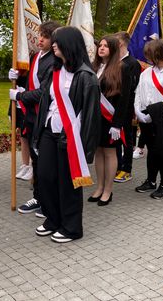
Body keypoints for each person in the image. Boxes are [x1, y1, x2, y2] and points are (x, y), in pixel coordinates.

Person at [31, 26, 100, 243]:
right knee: (45, 177)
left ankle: (71, 227)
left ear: (69, 44)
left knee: (68, 183)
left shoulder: (87, 77)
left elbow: (91, 117)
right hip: (49, 130)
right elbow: (46, 101)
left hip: (71, 137)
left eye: (57, 41)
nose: (53, 44)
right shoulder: (55, 71)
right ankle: (53, 219)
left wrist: (85, 151)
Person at [9, 20, 59, 215]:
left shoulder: (54, 61)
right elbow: (29, 80)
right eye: (40, 35)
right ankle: (39, 198)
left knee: (46, 163)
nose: (40, 40)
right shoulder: (36, 56)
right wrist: (16, 77)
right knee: (36, 161)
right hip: (31, 116)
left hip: (45, 116)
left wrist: (20, 96)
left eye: (45, 37)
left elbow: (44, 92)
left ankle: (49, 201)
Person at [134, 40, 163, 200]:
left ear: (158, 54)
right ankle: (151, 180)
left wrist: (153, 115)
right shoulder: (146, 73)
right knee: (152, 151)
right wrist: (138, 111)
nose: (146, 57)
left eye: (149, 54)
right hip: (146, 117)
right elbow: (138, 93)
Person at [87, 35, 131, 206]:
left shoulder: (122, 68)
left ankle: (108, 190)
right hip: (96, 118)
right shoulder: (94, 67)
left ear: (113, 49)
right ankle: (99, 187)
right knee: (98, 152)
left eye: (106, 46)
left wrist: (117, 124)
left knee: (109, 153)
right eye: (100, 45)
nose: (102, 48)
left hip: (111, 118)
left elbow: (124, 98)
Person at [114, 31, 141, 183]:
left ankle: (127, 169)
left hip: (127, 106)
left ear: (121, 43)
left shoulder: (132, 63)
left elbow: (133, 87)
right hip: (113, 106)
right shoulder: (113, 61)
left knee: (127, 138)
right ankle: (117, 166)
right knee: (116, 138)